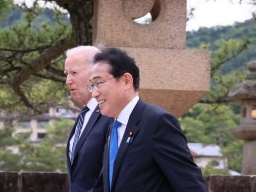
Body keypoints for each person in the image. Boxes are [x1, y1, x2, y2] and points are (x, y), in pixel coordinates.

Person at [88, 47, 207, 192]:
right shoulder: (112, 127)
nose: (94, 93)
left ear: (126, 81)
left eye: (99, 83)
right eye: (91, 86)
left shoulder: (157, 122)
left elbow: (191, 185)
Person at [64, 46, 113, 192]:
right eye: (66, 74)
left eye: (74, 73)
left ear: (95, 73)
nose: (68, 81)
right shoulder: (84, 114)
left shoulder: (111, 114)